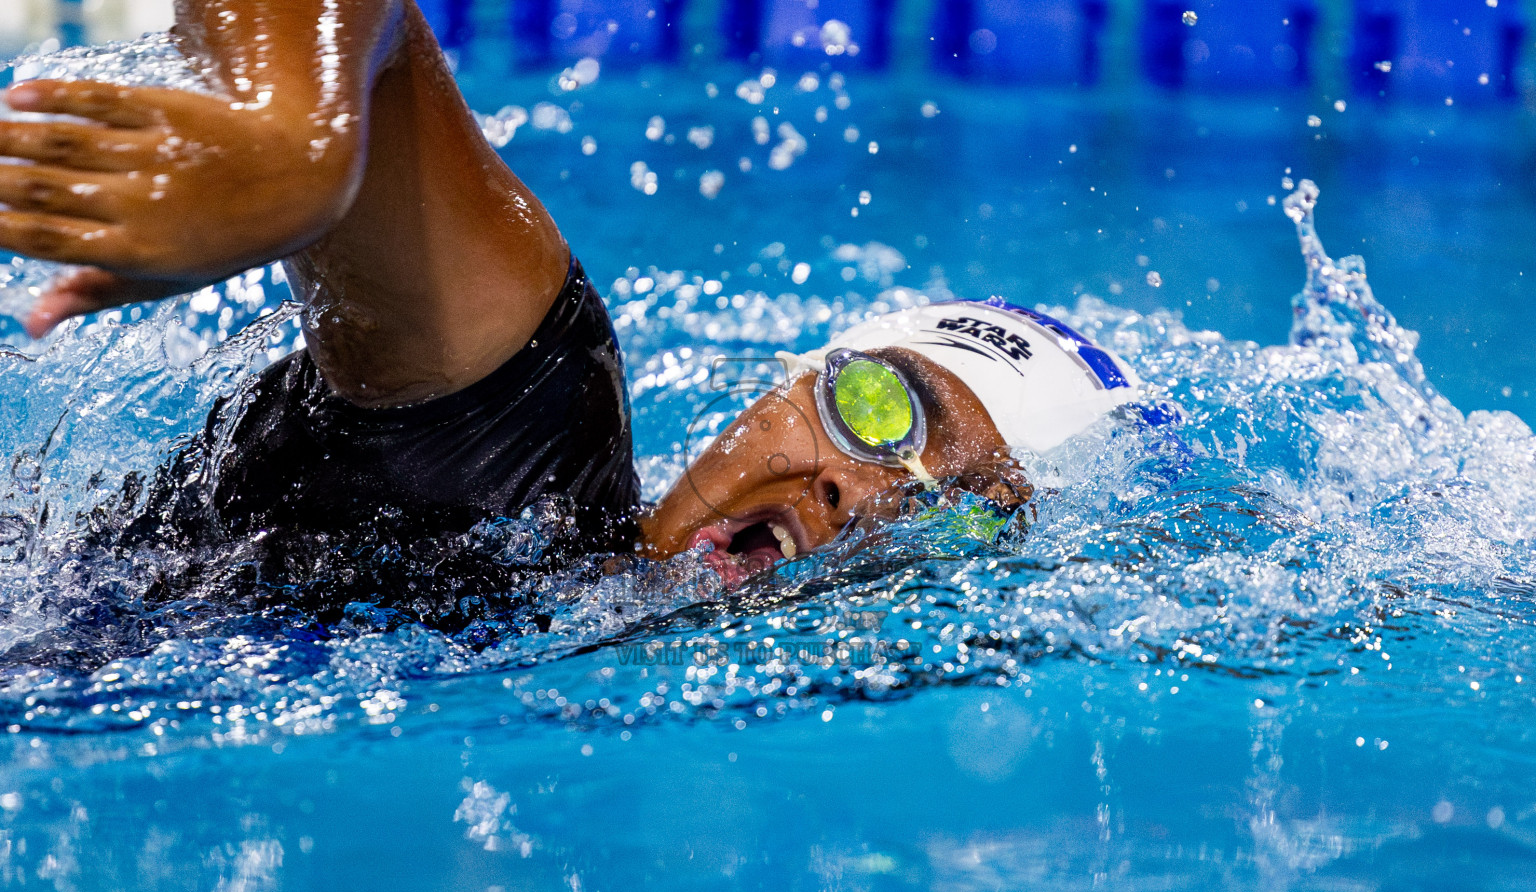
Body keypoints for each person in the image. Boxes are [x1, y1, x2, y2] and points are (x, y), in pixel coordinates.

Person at [0, 0, 1142, 599]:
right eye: (883, 411)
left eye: (965, 517)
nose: (854, 491)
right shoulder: (522, 426)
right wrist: (291, 155)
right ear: (789, 381)